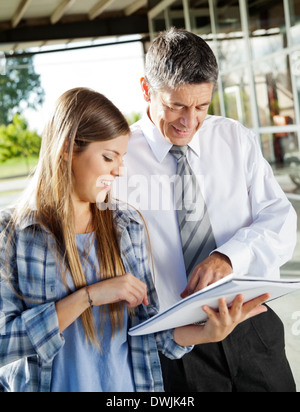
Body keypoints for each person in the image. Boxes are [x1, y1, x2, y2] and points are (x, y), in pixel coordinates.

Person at [0, 88, 268, 393]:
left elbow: (150, 333)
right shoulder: (12, 236)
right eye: (108, 157)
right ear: (66, 148)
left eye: (122, 158)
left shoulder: (127, 227)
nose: (119, 170)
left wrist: (207, 333)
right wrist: (89, 296)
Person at [115, 28, 297, 392]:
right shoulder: (117, 157)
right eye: (177, 105)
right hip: (178, 346)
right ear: (146, 88)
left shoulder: (234, 139)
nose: (189, 121)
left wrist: (227, 259)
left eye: (201, 106)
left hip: (252, 327)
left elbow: (280, 220)